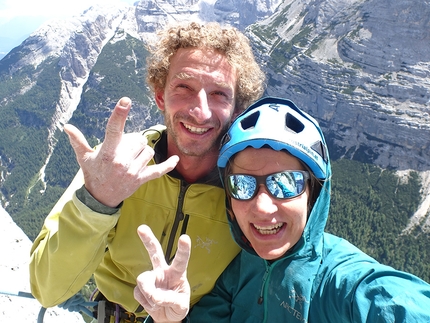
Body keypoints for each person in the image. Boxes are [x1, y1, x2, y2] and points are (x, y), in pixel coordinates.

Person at [29, 21, 265, 322]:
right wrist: (98, 201)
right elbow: (48, 290)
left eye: (219, 94)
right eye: (184, 87)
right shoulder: (118, 163)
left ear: (236, 109)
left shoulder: (246, 186)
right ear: (159, 96)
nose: (201, 111)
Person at [135, 96, 430, 323]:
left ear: (313, 193)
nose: (262, 207)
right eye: (242, 185)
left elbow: (397, 302)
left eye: (285, 183)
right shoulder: (237, 271)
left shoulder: (344, 284)